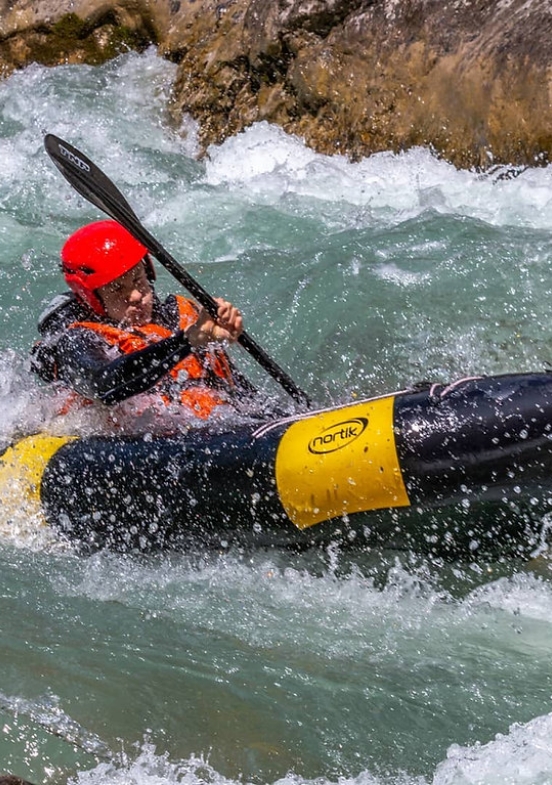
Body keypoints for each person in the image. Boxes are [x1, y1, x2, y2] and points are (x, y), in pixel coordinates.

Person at [31, 219, 252, 421]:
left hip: (210, 432)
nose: (136, 296)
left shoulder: (182, 316)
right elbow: (103, 387)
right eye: (118, 289)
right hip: (129, 446)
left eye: (138, 279)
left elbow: (243, 397)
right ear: (92, 298)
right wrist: (187, 341)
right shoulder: (76, 340)